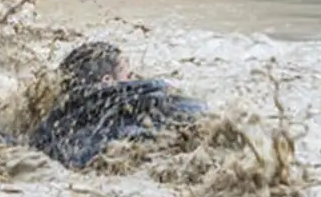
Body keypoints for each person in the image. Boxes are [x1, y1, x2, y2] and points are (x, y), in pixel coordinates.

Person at [27, 40, 207, 169]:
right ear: (107, 81)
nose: (134, 80)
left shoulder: (51, 127)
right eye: (128, 77)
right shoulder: (139, 98)